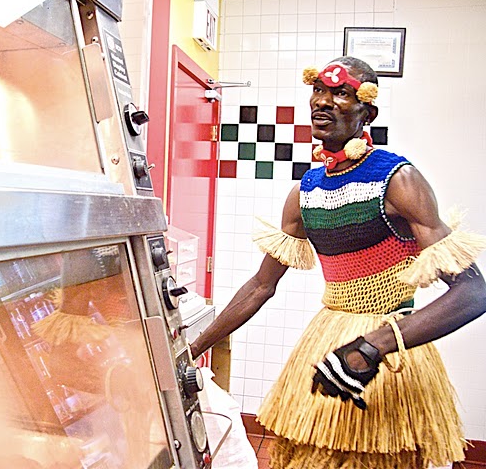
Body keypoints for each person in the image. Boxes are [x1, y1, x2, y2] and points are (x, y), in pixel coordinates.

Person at [189, 56, 486, 468]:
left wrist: (374, 345)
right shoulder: (305, 191)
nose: (323, 102)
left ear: (368, 112)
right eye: (319, 91)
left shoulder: (398, 179)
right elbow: (261, 285)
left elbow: (473, 292)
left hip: (388, 355)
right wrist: (192, 349)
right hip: (326, 341)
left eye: (342, 93)